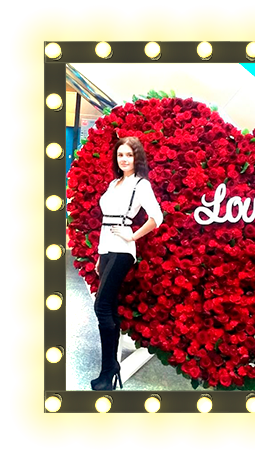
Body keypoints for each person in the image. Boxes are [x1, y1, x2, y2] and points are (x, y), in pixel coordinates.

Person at [90, 136, 163, 391]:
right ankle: (110, 368)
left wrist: (132, 236)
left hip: (122, 250)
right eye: (120, 154)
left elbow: (157, 217)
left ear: (137, 158)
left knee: (101, 306)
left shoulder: (141, 184)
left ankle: (109, 367)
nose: (124, 159)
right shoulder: (114, 183)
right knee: (109, 307)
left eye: (129, 155)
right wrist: (100, 255)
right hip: (107, 249)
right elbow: (105, 223)